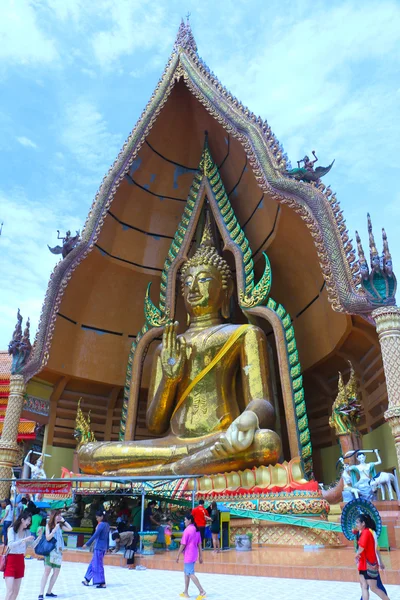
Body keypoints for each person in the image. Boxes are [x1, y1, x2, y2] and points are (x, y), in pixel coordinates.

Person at [38, 510, 72, 600]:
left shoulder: (60, 526)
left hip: (58, 552)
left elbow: (70, 528)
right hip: (50, 551)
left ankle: (49, 591)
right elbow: (48, 538)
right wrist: (54, 530)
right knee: (47, 572)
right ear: (54, 516)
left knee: (56, 572)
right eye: (58, 515)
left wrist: (63, 521)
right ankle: (41, 593)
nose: (59, 517)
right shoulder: (48, 525)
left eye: (60, 515)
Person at [355, 513, 390, 600]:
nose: (356, 524)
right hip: (364, 563)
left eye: (357, 522)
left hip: (369, 564)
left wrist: (356, 555)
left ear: (363, 523)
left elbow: (362, 547)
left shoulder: (367, 532)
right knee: (364, 587)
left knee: (374, 588)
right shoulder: (363, 532)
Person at [4, 509, 34, 600]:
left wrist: (39, 537)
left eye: (30, 521)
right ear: (22, 520)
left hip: (20, 561)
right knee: (10, 591)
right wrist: (24, 540)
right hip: (11, 561)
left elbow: (32, 546)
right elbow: (11, 545)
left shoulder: (26, 532)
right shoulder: (12, 530)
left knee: (16, 592)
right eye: (28, 520)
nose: (29, 523)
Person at [176, 514, 206, 600]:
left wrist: (177, 555)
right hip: (194, 553)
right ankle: (186, 591)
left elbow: (183, 544)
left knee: (190, 573)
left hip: (189, 554)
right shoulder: (196, 530)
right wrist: (201, 556)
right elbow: (199, 544)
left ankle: (202, 591)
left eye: (185, 520)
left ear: (189, 521)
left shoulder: (187, 530)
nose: (184, 521)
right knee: (186, 572)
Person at [82, 510, 109, 589]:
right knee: (93, 563)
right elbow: (107, 537)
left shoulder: (101, 525)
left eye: (97, 517)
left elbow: (95, 535)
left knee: (98, 565)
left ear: (101, 517)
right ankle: (87, 579)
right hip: (103, 547)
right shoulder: (107, 525)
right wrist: (107, 547)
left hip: (99, 547)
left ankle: (102, 582)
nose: (97, 519)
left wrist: (87, 544)